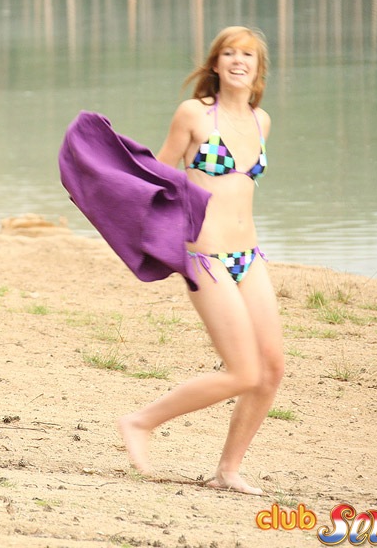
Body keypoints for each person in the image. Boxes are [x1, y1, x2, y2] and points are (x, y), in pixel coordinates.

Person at [116, 26, 284, 495]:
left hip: (249, 256)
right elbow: (158, 178)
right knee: (243, 371)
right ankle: (140, 422)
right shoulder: (193, 114)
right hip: (205, 258)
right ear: (215, 63)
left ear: (258, 68)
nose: (237, 60)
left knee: (271, 368)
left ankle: (228, 470)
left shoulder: (261, 121)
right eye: (228, 53)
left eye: (247, 54)